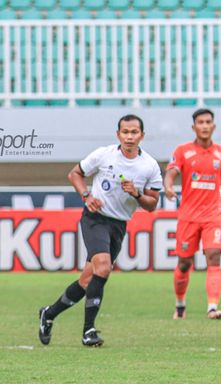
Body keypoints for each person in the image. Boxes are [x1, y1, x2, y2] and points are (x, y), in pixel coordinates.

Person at [38, 115, 162, 347]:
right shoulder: (104, 155)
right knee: (103, 267)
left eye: (134, 132)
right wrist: (86, 196)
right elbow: (75, 173)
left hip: (118, 225)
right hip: (95, 219)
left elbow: (152, 204)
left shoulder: (150, 166)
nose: (129, 137)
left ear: (142, 136)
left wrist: (136, 194)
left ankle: (49, 313)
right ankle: (89, 331)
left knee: (87, 281)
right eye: (125, 132)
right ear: (118, 135)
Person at [164, 108, 221, 320]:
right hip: (188, 216)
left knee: (214, 256)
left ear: (213, 126)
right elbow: (171, 172)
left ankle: (212, 307)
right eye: (200, 122)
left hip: (214, 215)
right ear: (194, 127)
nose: (205, 126)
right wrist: (168, 186)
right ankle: (180, 305)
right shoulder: (183, 151)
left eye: (208, 122)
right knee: (184, 263)